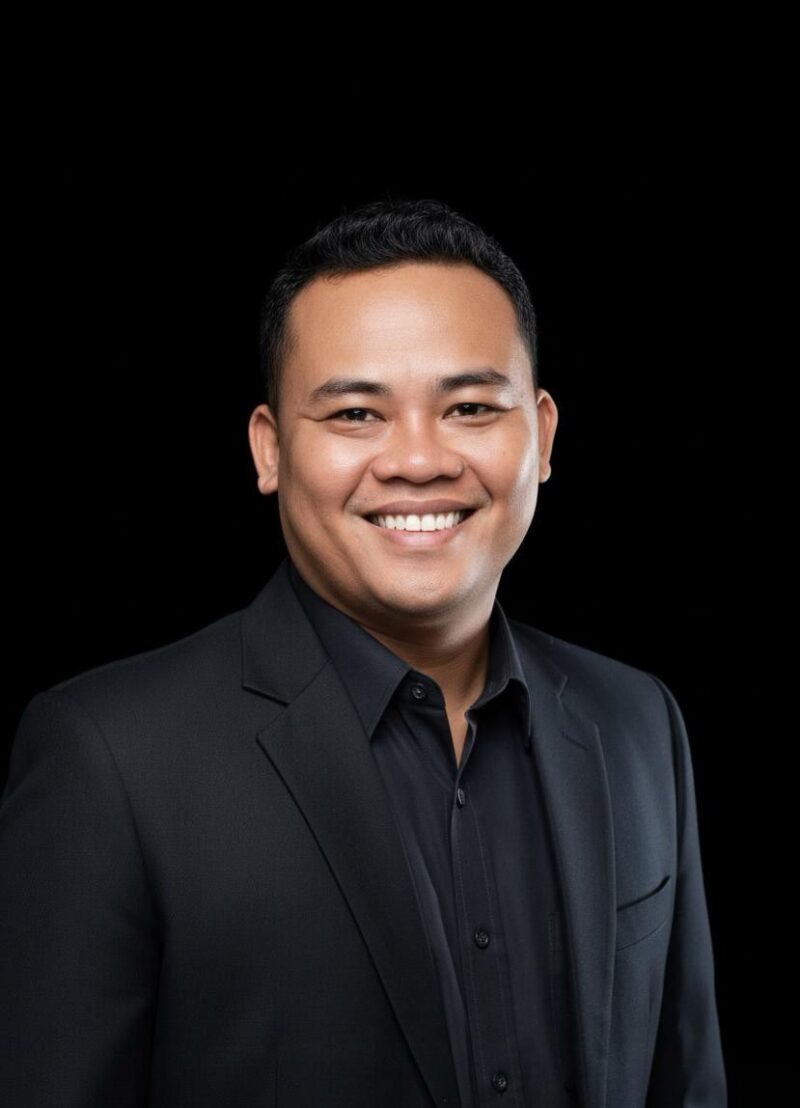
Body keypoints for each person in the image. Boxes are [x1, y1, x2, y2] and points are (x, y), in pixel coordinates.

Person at [0, 197, 727, 1107]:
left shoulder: (637, 721)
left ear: (541, 436)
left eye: (469, 406)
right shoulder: (110, 761)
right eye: (355, 414)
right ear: (270, 449)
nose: (418, 461)